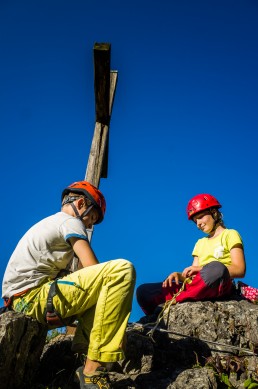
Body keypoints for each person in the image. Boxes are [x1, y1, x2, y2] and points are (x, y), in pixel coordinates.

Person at [2, 180, 136, 389]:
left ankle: (86, 353)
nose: (90, 225)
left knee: (101, 288)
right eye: (91, 217)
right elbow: (93, 269)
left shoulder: (49, 223)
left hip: (24, 299)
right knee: (121, 270)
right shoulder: (70, 221)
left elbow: (86, 277)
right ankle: (93, 369)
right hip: (35, 296)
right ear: (81, 204)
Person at [137, 193, 246, 315]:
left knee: (216, 268)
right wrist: (179, 275)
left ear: (214, 212)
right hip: (195, 286)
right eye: (195, 221)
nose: (198, 223)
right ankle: (157, 315)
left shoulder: (230, 234)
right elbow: (192, 277)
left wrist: (201, 268)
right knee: (143, 291)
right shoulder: (200, 243)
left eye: (200, 217)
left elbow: (239, 269)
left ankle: (177, 301)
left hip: (219, 285)